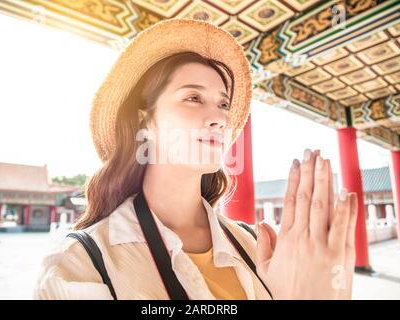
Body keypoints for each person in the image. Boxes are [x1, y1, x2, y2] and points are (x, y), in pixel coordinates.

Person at [33, 18, 358, 300]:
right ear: (146, 119)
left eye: (223, 104)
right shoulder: (79, 266)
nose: (218, 117)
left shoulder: (256, 246)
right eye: (193, 98)